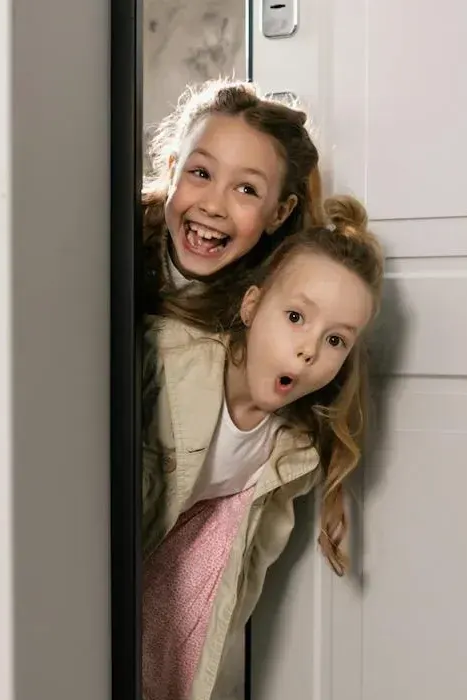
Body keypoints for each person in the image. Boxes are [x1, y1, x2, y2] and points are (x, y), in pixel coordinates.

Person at [140, 197, 385, 700]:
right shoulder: (165, 358)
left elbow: (233, 583)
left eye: (336, 340)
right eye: (296, 316)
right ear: (252, 306)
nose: (309, 349)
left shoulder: (290, 452)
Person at [138, 79, 327, 318]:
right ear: (173, 169)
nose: (213, 206)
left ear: (279, 214)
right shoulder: (110, 246)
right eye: (201, 173)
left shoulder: (272, 310)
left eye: (246, 189)